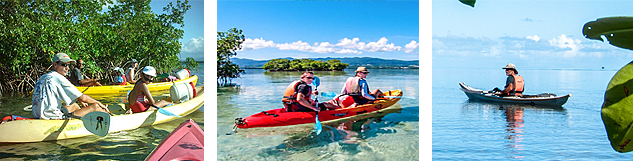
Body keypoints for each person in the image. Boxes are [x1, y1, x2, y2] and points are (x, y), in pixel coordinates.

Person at [31, 53, 111, 119]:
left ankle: (82, 120)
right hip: (52, 118)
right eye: (63, 65)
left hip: (38, 115)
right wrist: (99, 103)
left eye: (68, 65)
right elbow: (83, 97)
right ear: (55, 65)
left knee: (74, 106)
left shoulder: (43, 77)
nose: (67, 68)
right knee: (95, 107)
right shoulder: (58, 78)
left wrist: (79, 100)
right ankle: (108, 117)